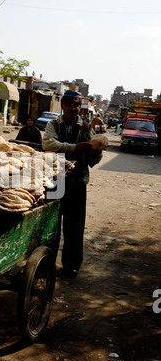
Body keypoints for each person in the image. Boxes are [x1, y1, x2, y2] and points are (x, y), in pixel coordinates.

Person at [42, 90, 103, 278]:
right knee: (50, 227)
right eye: (68, 105)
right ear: (62, 106)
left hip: (77, 184)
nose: (72, 109)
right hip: (54, 182)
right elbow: (48, 145)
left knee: (74, 228)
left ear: (79, 108)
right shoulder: (53, 125)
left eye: (76, 106)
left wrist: (96, 149)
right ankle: (46, 264)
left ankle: (71, 266)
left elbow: (95, 158)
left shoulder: (86, 127)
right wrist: (75, 148)